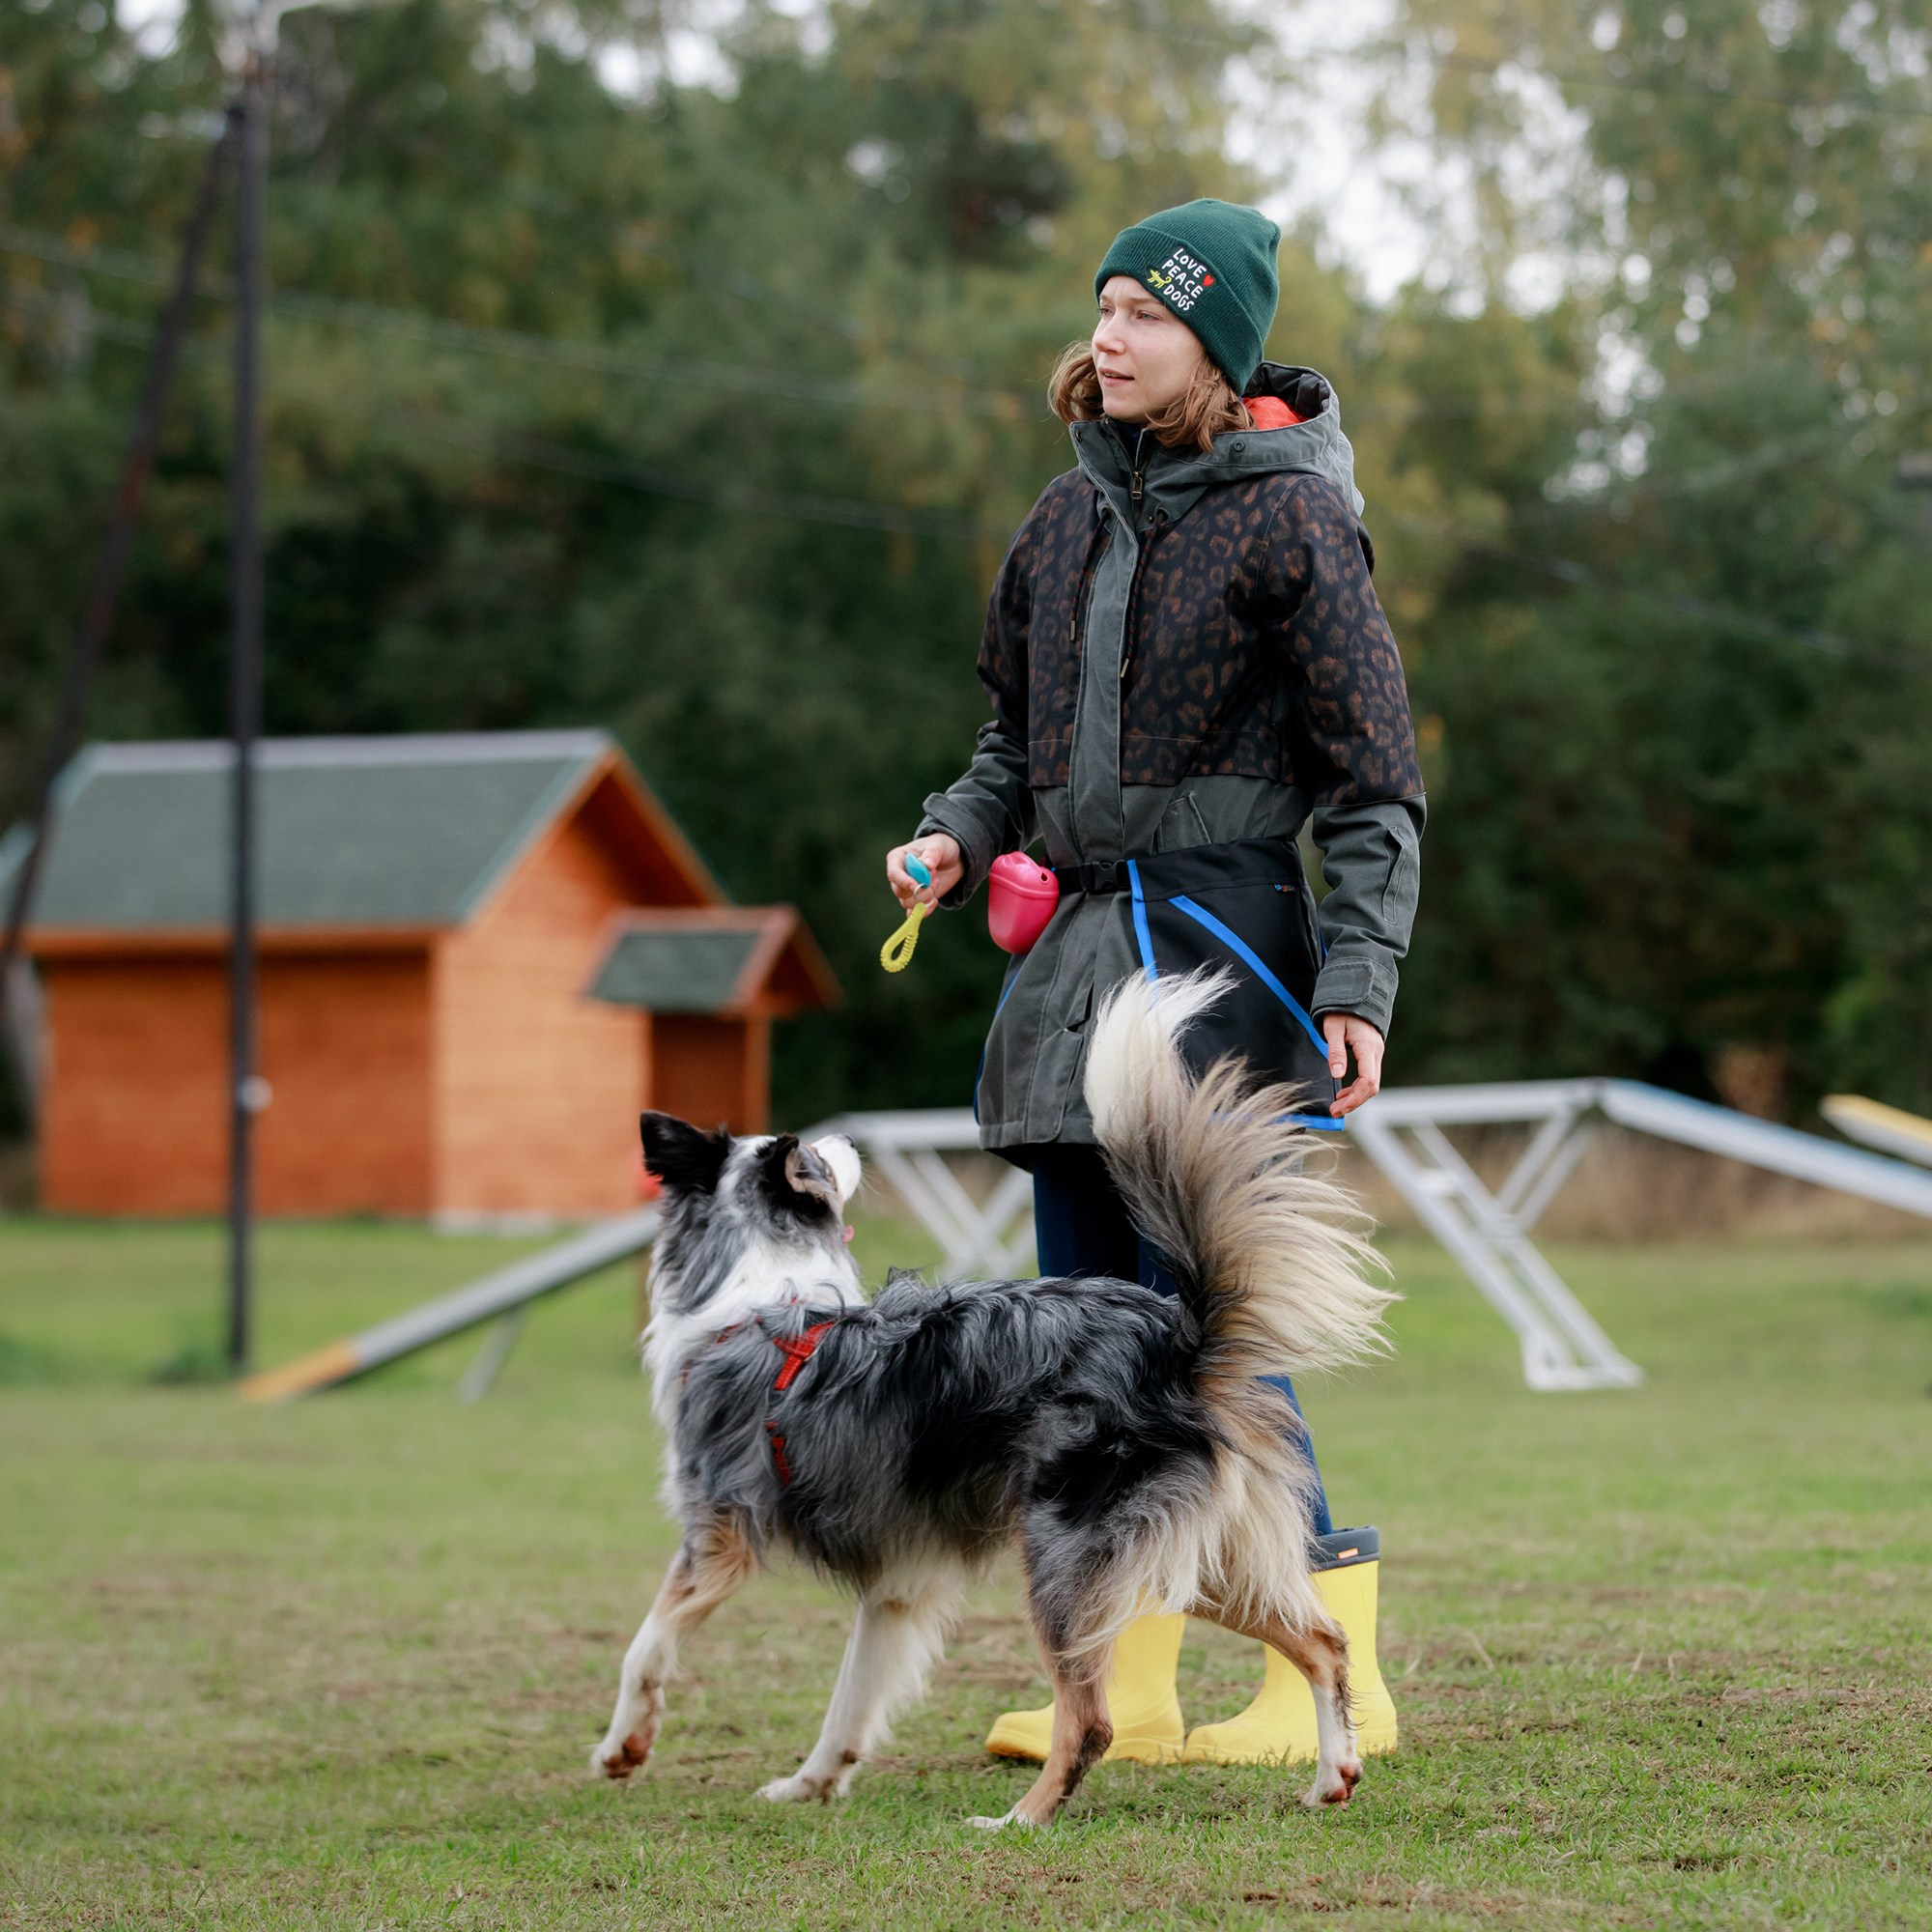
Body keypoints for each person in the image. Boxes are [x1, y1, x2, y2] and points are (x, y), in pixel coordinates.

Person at [885, 199, 1423, 1770]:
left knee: (1211, 1329)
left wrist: (1365, 977)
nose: (1107, 336)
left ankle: (1333, 1681)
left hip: (1228, 957)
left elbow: (1373, 785)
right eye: (1103, 307)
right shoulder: (1057, 526)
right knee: (1081, 1341)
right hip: (1071, 974)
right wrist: (949, 837)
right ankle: (1124, 1681)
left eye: (1145, 315)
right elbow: (1009, 746)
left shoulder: (1299, 524)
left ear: (1218, 347)